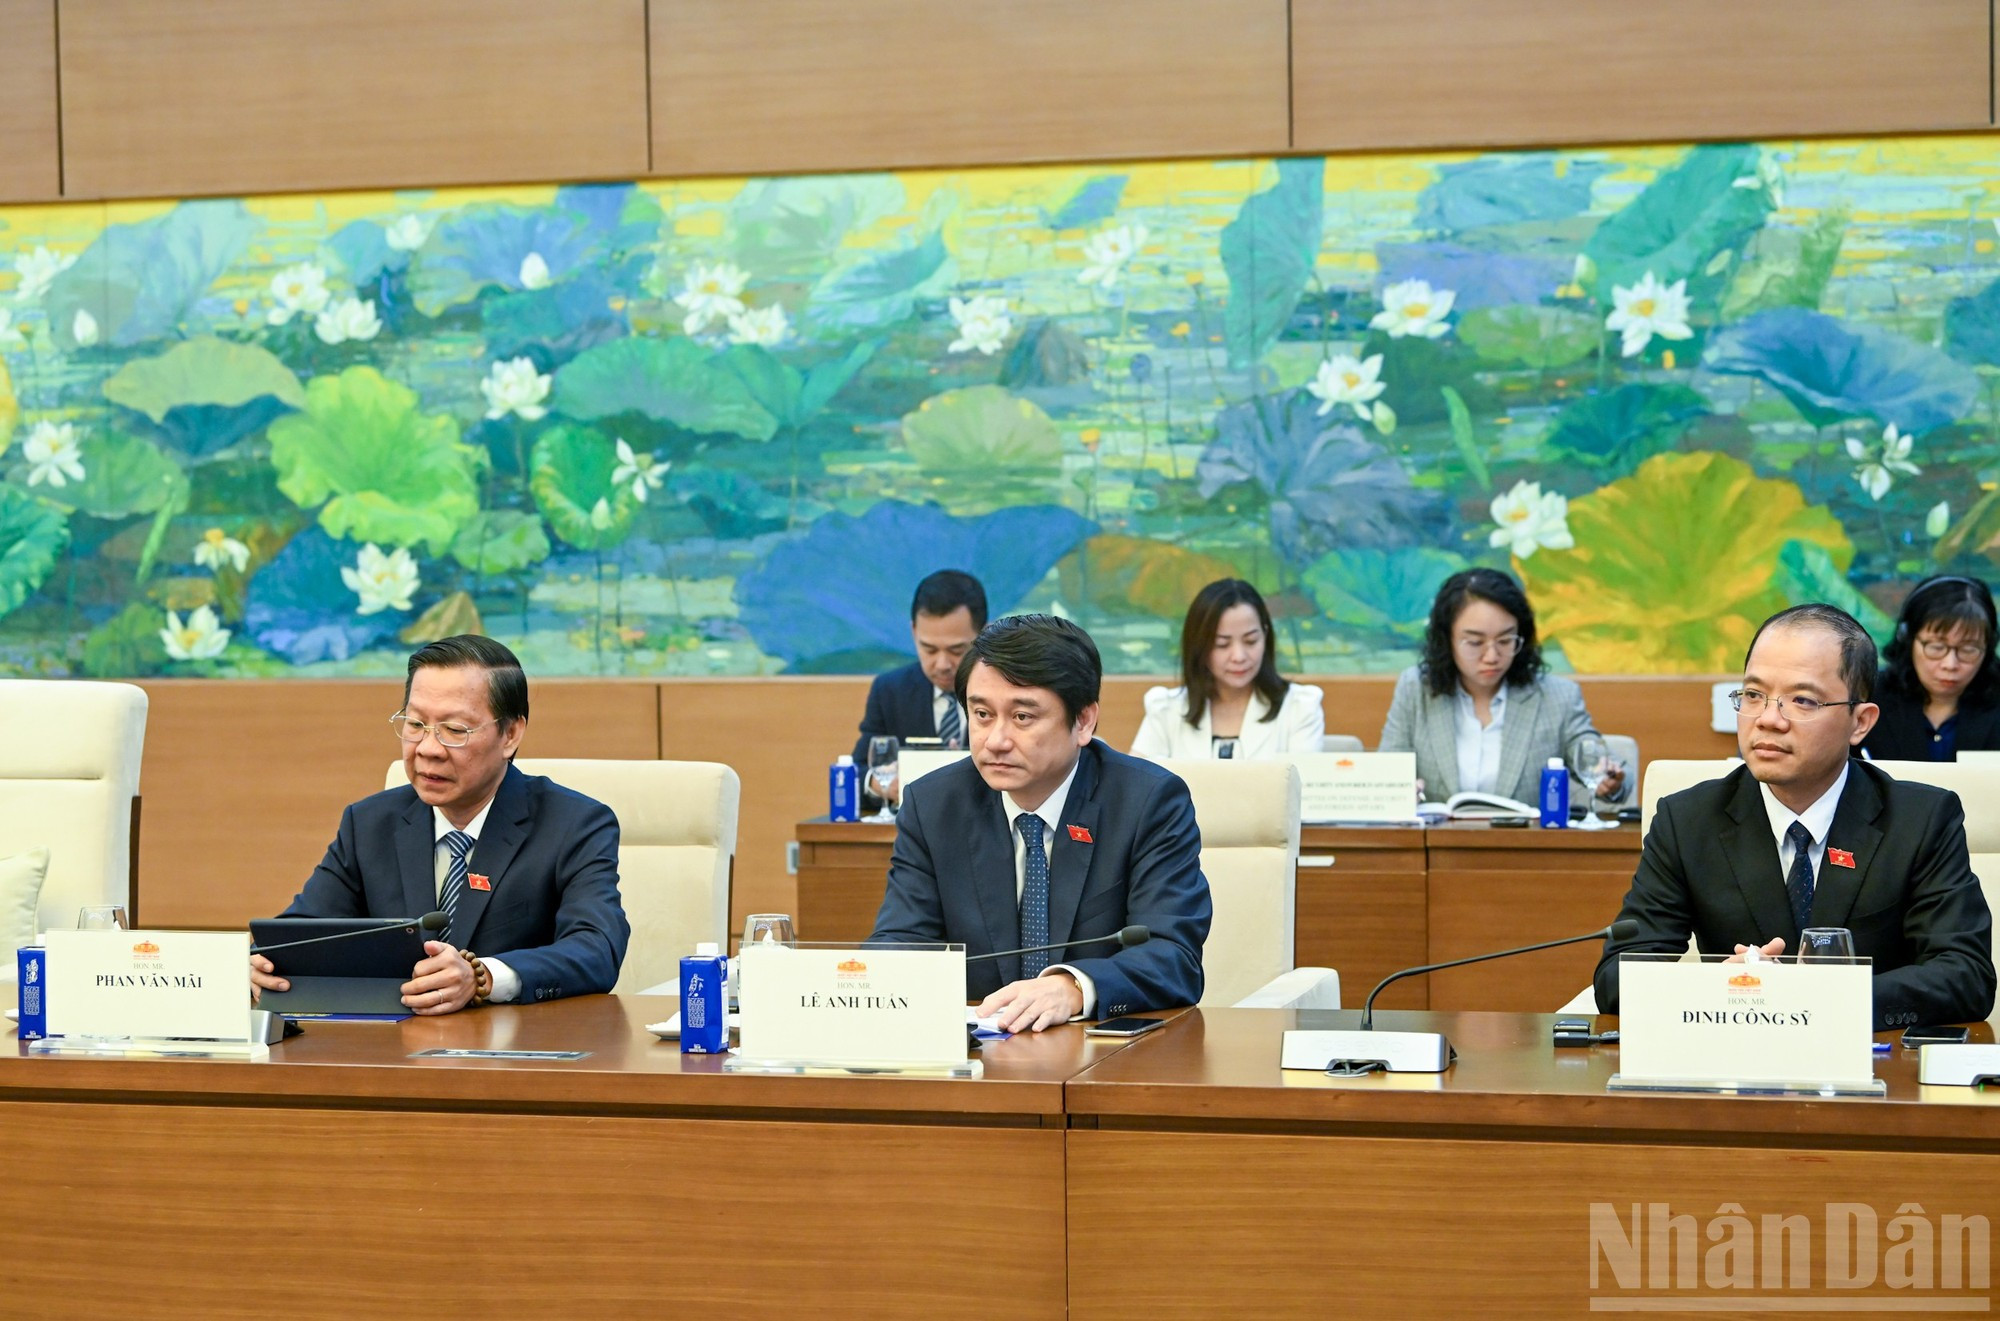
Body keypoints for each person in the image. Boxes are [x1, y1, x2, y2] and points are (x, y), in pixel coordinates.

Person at [1594, 604, 1995, 1030]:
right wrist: (1720, 986)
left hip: (1873, 1070)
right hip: (1734, 1069)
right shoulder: (1688, 819)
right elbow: (1618, 976)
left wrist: (1815, 998)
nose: (1768, 720)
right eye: (1753, 695)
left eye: (1802, 700)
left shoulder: (1921, 820)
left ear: (1860, 722)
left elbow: (1966, 977)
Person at [251, 635, 630, 1014]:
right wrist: (262, 965)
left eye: (454, 730)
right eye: (415, 724)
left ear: (510, 734)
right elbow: (298, 935)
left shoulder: (573, 824)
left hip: (515, 1054)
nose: (427, 748)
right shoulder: (368, 824)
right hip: (391, 1054)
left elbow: (597, 948)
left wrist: (483, 977)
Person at [871, 614, 1212, 1032]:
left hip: (1103, 1060)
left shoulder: (1146, 803)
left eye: (1022, 717)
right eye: (981, 714)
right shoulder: (934, 805)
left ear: (1083, 721)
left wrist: (1071, 988)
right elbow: (901, 942)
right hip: (978, 1063)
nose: (996, 740)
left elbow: (1173, 955)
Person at [1378, 568, 1625, 804]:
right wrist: (1397, 791)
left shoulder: (1557, 696)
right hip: (1439, 844)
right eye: (1475, 642)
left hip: (1524, 845)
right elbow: (1387, 772)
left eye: (1506, 640)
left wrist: (1606, 775)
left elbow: (1589, 752)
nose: (1492, 656)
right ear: (1447, 640)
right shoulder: (1415, 689)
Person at [1130, 578, 1326, 761]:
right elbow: (1136, 789)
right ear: (1199, 646)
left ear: (1266, 636)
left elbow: (1302, 793)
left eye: (1251, 641)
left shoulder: (1300, 707)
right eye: (1222, 644)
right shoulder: (1166, 710)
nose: (1239, 656)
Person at [852, 570, 987, 804]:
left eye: (956, 650)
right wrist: (881, 783)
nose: (942, 664)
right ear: (914, 631)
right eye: (929, 649)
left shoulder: (1005, 692)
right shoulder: (890, 691)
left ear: (983, 633)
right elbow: (857, 772)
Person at [1861, 574, 2000, 762]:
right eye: (1936, 647)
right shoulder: (1869, 698)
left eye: (1968, 650)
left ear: (1988, 647)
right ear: (1908, 639)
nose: (1950, 665)